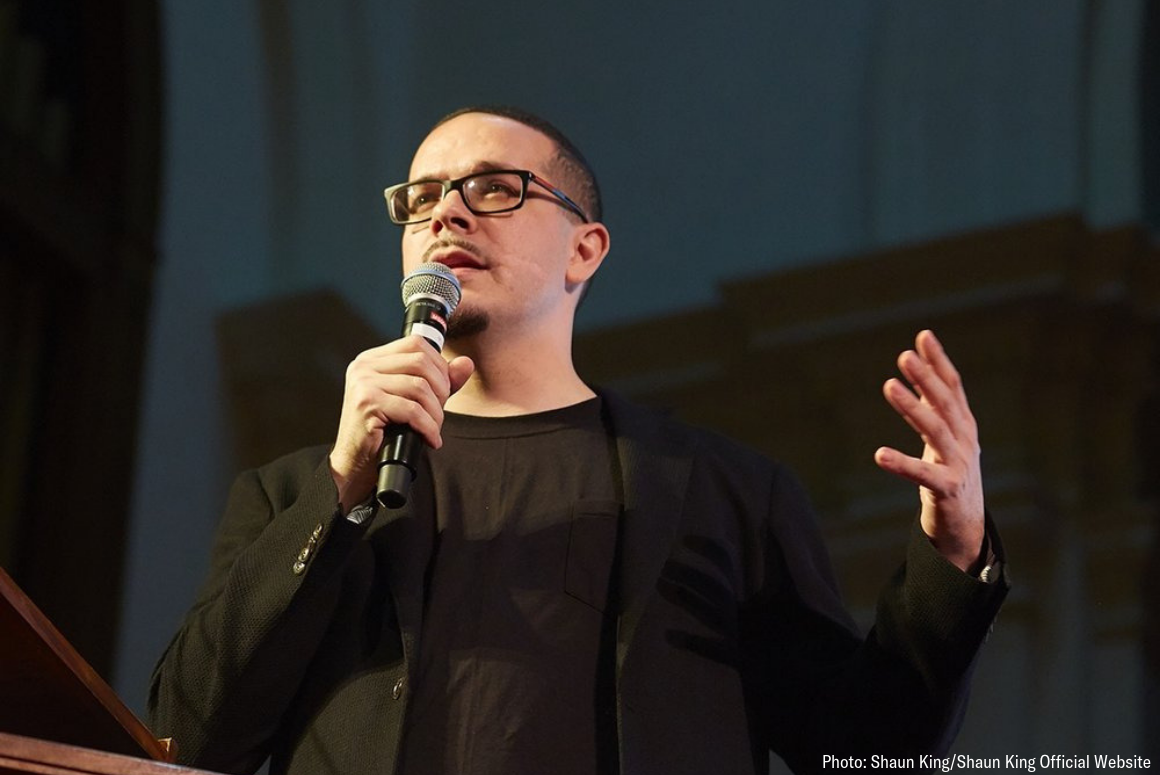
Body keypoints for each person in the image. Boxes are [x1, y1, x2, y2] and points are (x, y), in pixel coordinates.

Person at [148, 105, 1008, 775]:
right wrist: (340, 489)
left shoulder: (722, 491)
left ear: (584, 251)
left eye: (493, 187)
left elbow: (865, 748)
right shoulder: (294, 496)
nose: (446, 211)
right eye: (420, 198)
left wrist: (954, 556)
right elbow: (190, 737)